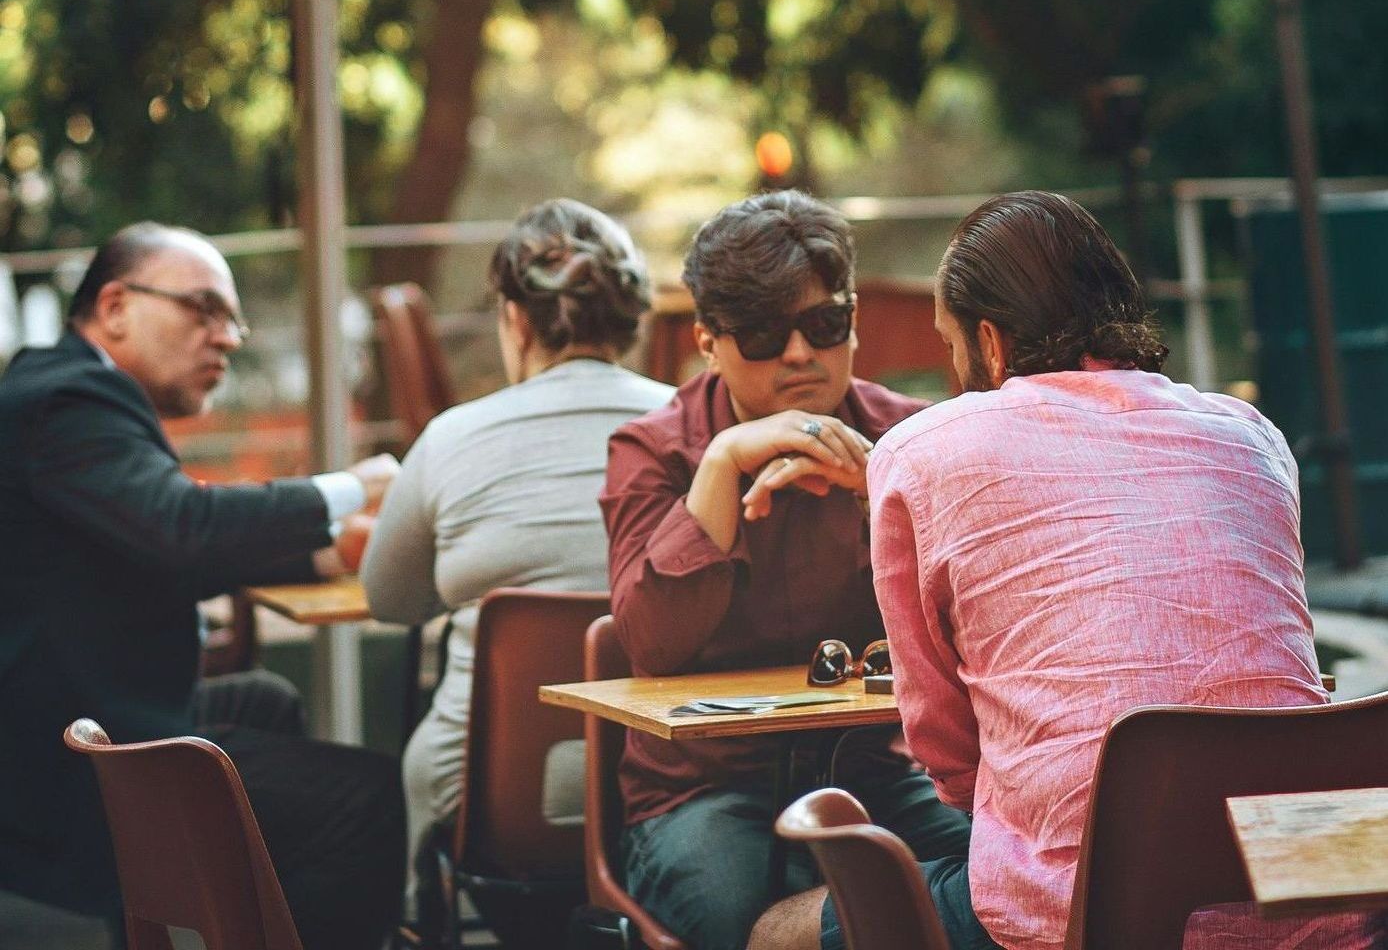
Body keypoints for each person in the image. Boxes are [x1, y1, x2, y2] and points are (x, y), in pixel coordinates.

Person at [751, 190, 1361, 950]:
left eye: (950, 349)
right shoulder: (1253, 437)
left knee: (779, 930)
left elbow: (944, 743)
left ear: (991, 343)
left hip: (1087, 913)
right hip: (1317, 894)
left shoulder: (923, 449)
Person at [0, 222, 405, 950]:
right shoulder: (68, 398)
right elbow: (180, 524)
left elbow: (156, 544)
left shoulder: (65, 392)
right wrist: (350, 487)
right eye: (204, 308)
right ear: (117, 305)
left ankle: (239, 929)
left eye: (233, 318)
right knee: (367, 797)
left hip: (81, 702)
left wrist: (328, 552)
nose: (228, 336)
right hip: (65, 758)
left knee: (268, 699)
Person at [601, 189, 970, 950]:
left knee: (991, 879)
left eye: (824, 324)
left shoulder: (910, 434)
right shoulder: (652, 449)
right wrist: (723, 464)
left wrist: (883, 495)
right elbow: (651, 646)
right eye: (765, 334)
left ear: (854, 319)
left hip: (876, 768)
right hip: (704, 788)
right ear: (707, 342)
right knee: (734, 918)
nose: (801, 353)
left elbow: (975, 630)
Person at [361, 198, 672, 925]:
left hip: (483, 797)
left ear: (516, 318)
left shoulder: (450, 439)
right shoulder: (693, 429)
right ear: (629, 319)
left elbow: (389, 598)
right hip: (658, 779)